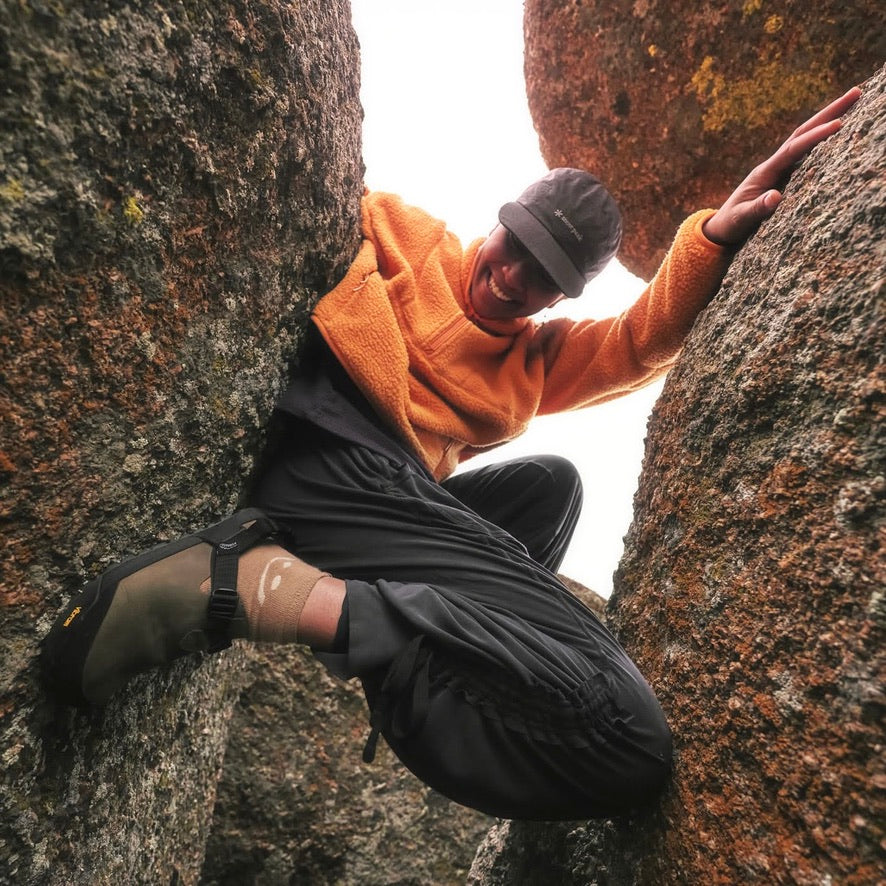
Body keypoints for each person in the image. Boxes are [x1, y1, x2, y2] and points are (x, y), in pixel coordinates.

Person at [42, 87, 861, 820]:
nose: (511, 280)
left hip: (392, 500)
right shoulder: (402, 231)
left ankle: (382, 623)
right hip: (335, 459)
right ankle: (244, 587)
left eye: (542, 278)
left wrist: (713, 233)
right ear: (499, 220)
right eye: (516, 246)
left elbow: (639, 342)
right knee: (626, 730)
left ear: (561, 297)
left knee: (554, 487)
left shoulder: (535, 362)